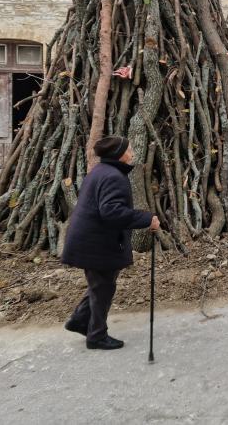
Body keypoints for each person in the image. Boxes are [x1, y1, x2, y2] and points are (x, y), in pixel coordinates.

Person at [61, 136, 160, 350]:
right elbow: (111, 212)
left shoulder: (100, 171)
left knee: (100, 284)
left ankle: (80, 320)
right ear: (120, 154)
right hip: (96, 242)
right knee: (103, 288)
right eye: (129, 148)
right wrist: (146, 219)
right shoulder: (114, 176)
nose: (132, 150)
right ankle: (96, 336)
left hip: (93, 239)